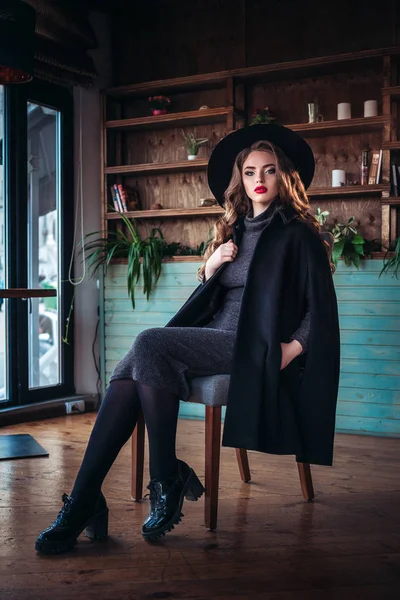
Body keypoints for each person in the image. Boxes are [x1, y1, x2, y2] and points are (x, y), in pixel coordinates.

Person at [35, 123, 340, 555]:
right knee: (130, 374)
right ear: (240, 180)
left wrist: (293, 348)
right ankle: (91, 497)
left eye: (269, 171)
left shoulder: (299, 235)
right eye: (250, 172)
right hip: (216, 336)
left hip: (256, 344)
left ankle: (147, 482)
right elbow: (211, 299)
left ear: (284, 177)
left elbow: (320, 307)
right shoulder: (233, 233)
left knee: (147, 345)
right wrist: (212, 266)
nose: (259, 180)